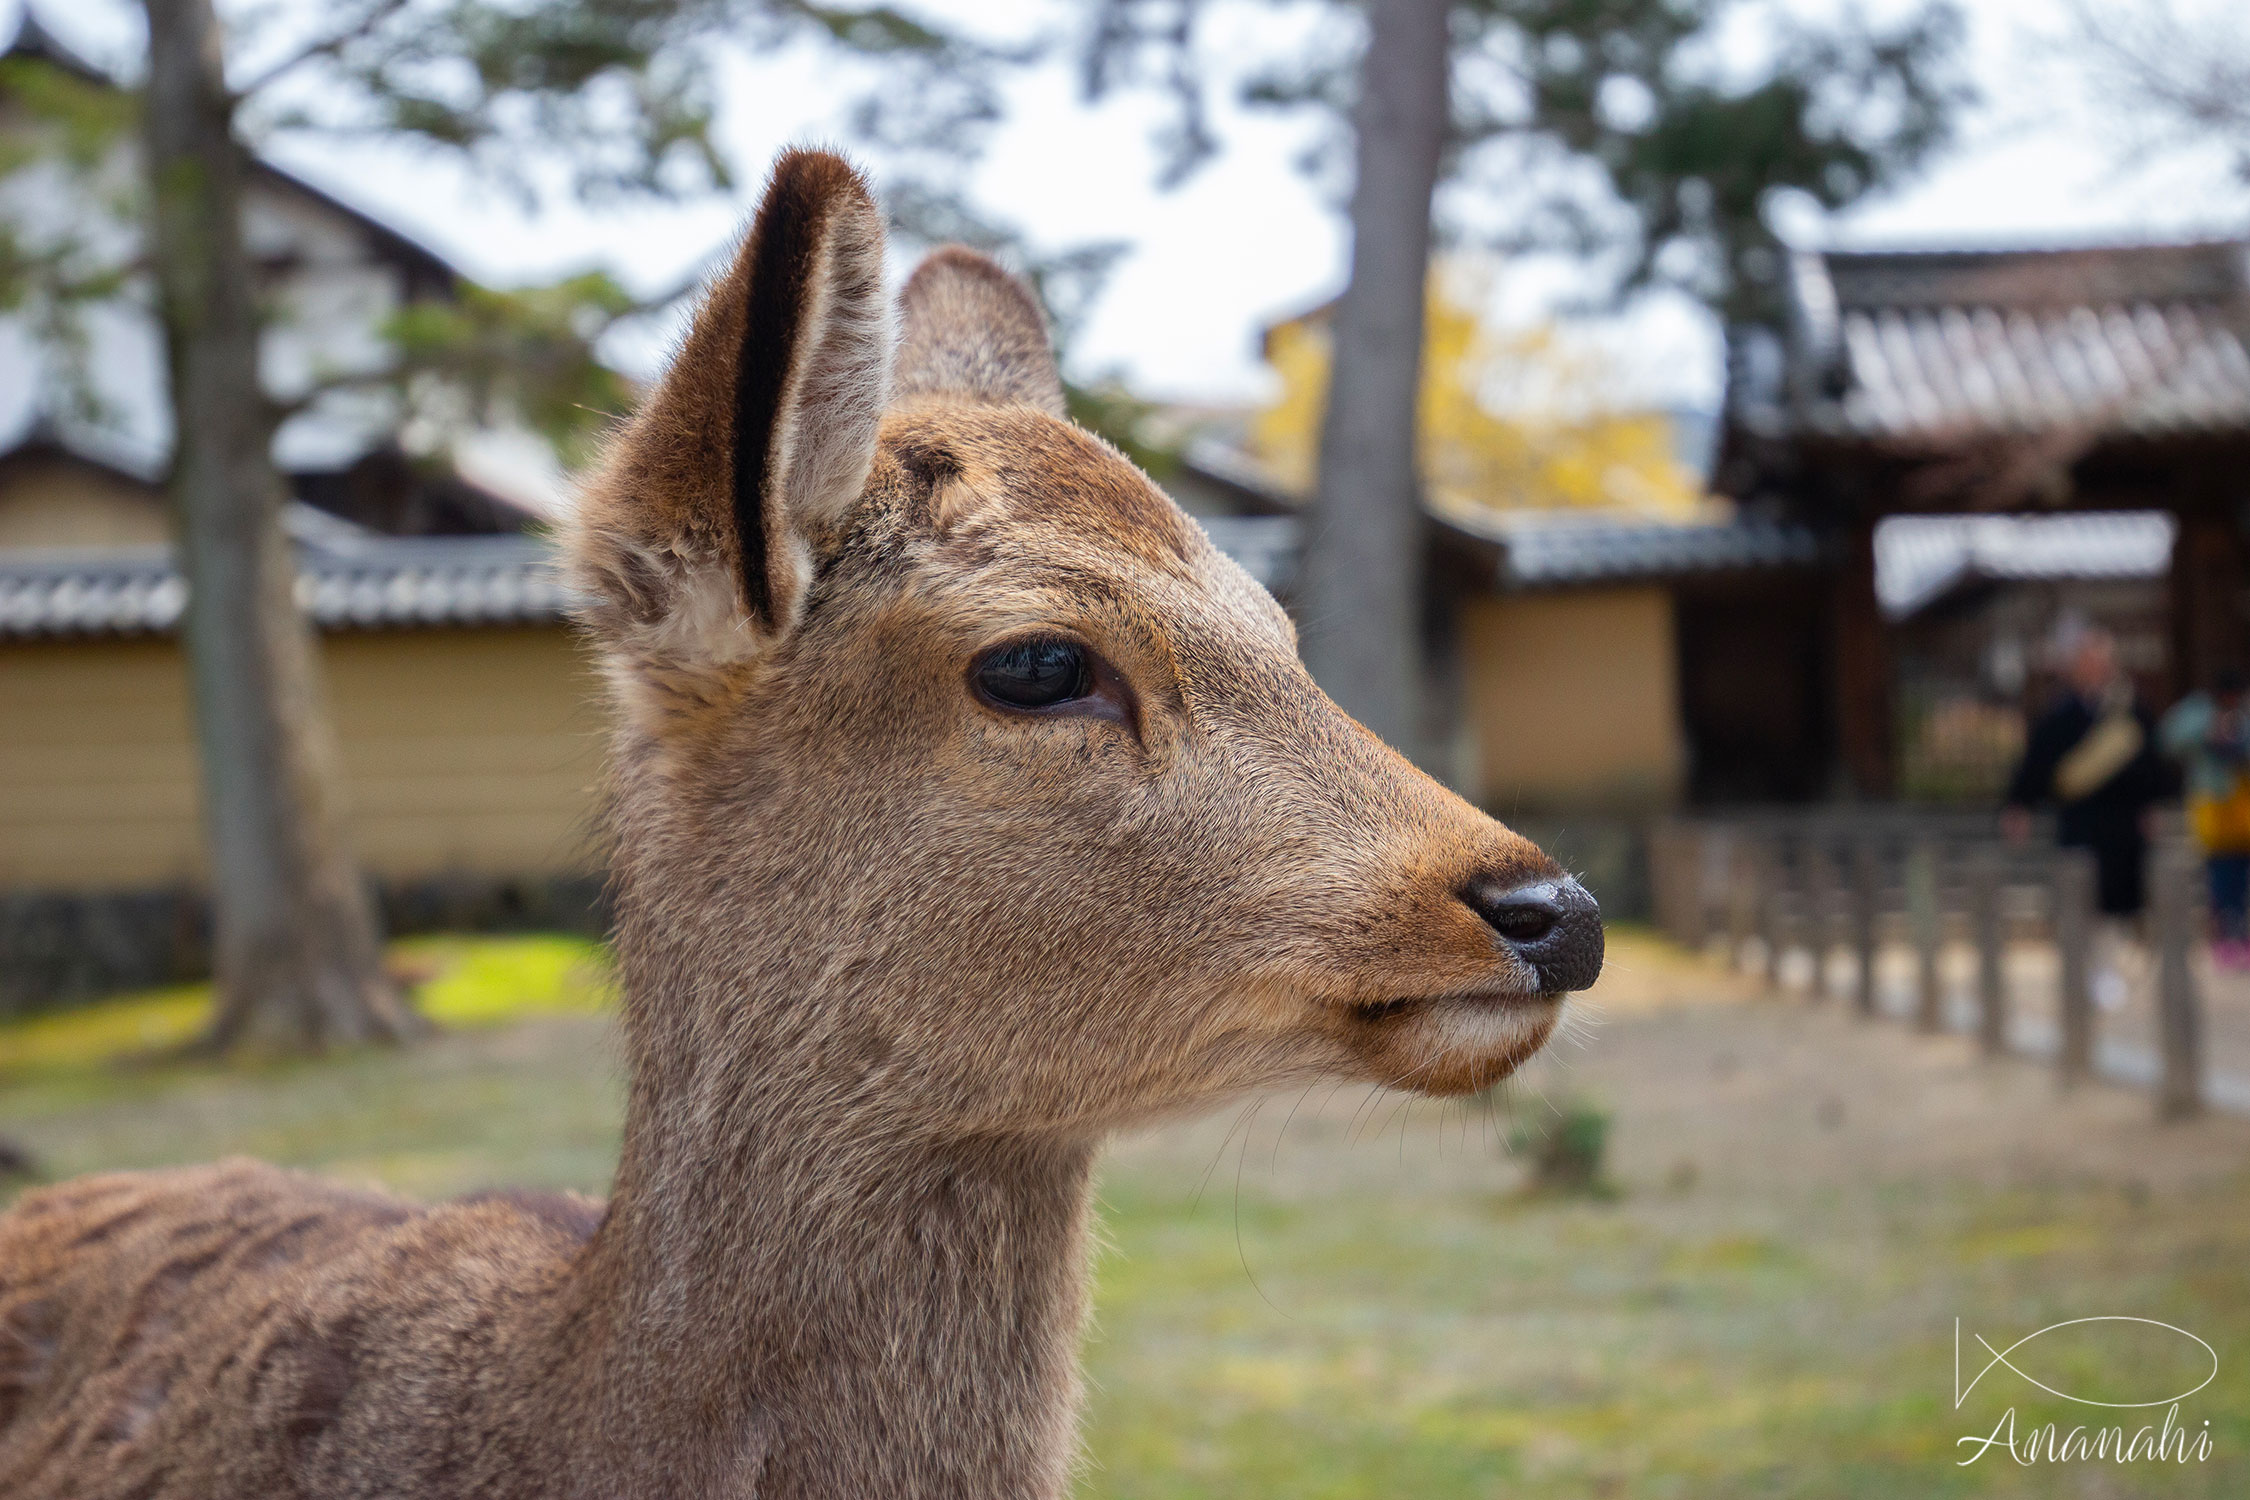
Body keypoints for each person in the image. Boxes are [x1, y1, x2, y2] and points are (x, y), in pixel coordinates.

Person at [2003, 625, 2170, 1009]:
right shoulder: (2060, 714)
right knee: (2083, 895)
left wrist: (2151, 805)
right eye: (2084, 660)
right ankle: (2090, 971)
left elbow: (2152, 765)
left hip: (2123, 821)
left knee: (2118, 900)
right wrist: (2019, 805)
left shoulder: (2129, 710)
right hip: (2080, 819)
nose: (2092, 667)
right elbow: (2036, 764)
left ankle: (2109, 969)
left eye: (2098, 659)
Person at [2159, 667, 2250, 968]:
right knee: (2220, 876)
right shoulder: (2198, 711)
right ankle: (2224, 937)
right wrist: (2209, 732)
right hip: (2212, 805)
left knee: (2243, 878)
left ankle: (2242, 935)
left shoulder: (2244, 714)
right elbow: (2170, 738)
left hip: (2243, 805)